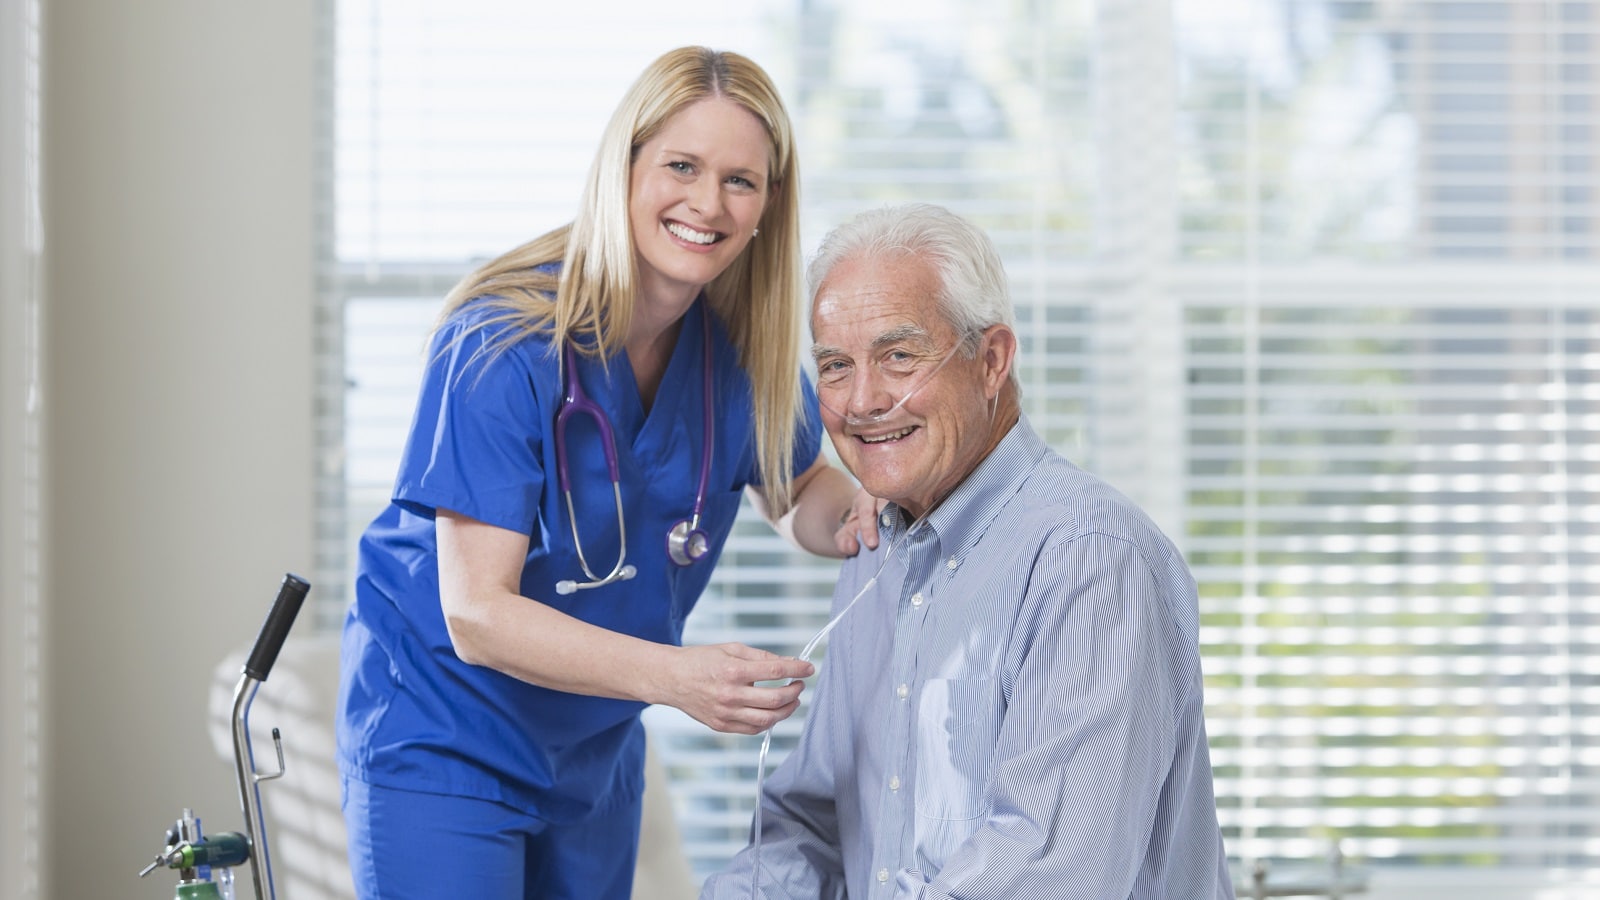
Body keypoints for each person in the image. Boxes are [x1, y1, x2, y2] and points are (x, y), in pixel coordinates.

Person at [335, 46, 879, 900]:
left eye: (742, 181)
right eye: (681, 166)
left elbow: (799, 485)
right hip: (445, 732)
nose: (708, 202)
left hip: (594, 746)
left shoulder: (737, 353)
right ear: (622, 168)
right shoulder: (502, 341)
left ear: (769, 206)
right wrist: (678, 676)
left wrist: (856, 515)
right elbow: (476, 612)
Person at [701, 203, 1234, 899]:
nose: (863, 400)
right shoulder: (874, 550)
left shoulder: (1092, 560)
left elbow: (1047, 870)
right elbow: (814, 827)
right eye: (835, 365)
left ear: (991, 360)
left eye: (899, 356)